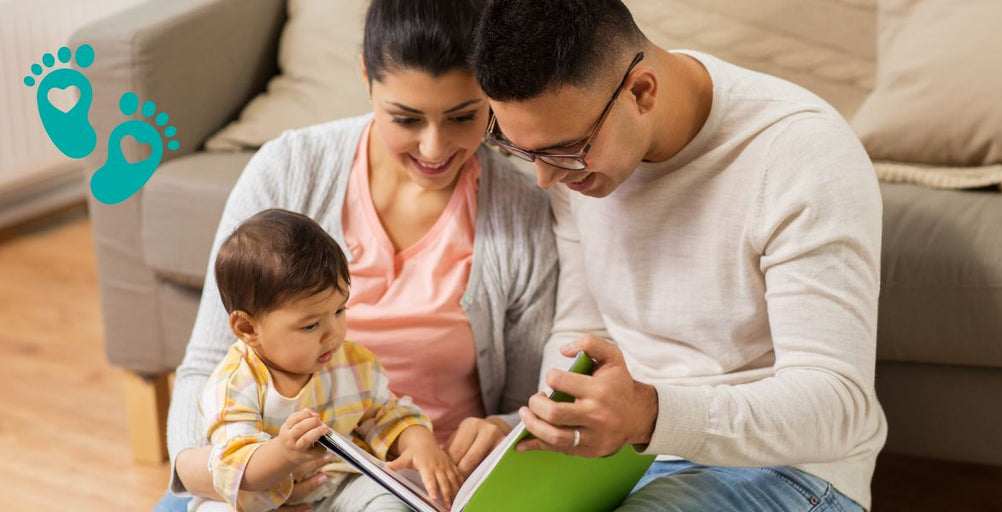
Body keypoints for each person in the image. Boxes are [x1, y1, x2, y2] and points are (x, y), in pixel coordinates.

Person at [472, 1, 886, 510]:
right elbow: (584, 327)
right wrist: (542, 435)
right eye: (521, 150)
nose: (545, 177)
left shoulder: (800, 154)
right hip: (627, 459)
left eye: (563, 150)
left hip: (786, 470)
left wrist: (648, 415)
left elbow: (838, 407)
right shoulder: (571, 162)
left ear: (642, 92)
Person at [155, 1, 557, 510]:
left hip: (419, 485)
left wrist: (501, 429)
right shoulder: (288, 169)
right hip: (249, 480)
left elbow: (527, 401)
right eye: (406, 118)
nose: (434, 148)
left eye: (463, 116)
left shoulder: (522, 210)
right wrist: (215, 477)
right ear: (367, 77)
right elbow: (207, 364)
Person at [192, 209, 459, 512]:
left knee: (389, 500)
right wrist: (284, 452)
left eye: (340, 310)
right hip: (260, 504)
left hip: (336, 488)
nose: (333, 333)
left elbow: (387, 415)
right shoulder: (234, 384)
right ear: (248, 328)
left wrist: (420, 443)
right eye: (310, 325)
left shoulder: (353, 364)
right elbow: (233, 466)